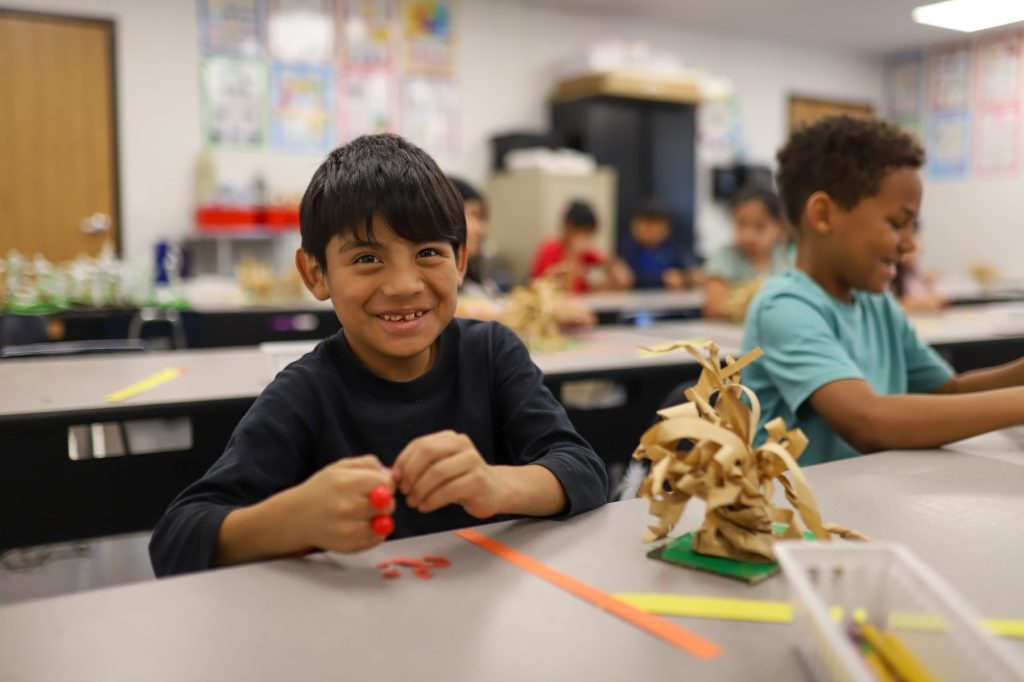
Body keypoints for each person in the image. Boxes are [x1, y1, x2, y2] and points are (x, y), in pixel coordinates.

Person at [149, 134, 609, 576]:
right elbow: (175, 540)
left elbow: (584, 470)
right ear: (316, 273)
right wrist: (293, 519)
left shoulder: (491, 353)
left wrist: (497, 485)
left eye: (429, 252)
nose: (404, 285)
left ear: (462, 260)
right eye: (368, 259)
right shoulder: (306, 392)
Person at [742, 115, 1024, 466]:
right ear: (824, 215)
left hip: (873, 499)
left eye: (912, 226)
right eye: (896, 223)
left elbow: (949, 391)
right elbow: (866, 420)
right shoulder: (783, 307)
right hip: (799, 515)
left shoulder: (877, 302)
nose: (909, 244)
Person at [450, 177, 596, 329]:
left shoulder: (479, 280)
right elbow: (463, 314)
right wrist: (544, 312)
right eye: (474, 215)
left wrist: (546, 302)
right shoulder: (551, 248)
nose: (483, 229)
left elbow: (497, 304)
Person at [703, 184, 791, 320]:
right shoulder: (725, 257)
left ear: (779, 227)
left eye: (760, 227)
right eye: (741, 224)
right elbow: (714, 309)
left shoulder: (785, 257)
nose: (749, 236)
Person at [530, 200, 633, 293]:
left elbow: (622, 278)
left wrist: (611, 269)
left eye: (588, 233)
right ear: (567, 225)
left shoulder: (586, 252)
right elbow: (544, 287)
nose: (584, 237)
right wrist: (572, 257)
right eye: (580, 231)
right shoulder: (550, 248)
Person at [622, 200, 699, 290]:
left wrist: (688, 277)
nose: (652, 231)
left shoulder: (672, 249)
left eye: (658, 225)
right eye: (647, 225)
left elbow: (683, 269)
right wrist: (662, 279)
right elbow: (632, 277)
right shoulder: (629, 250)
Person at [892, 224, 947, 314]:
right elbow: (888, 306)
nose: (919, 249)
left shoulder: (912, 272)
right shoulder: (892, 273)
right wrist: (917, 304)